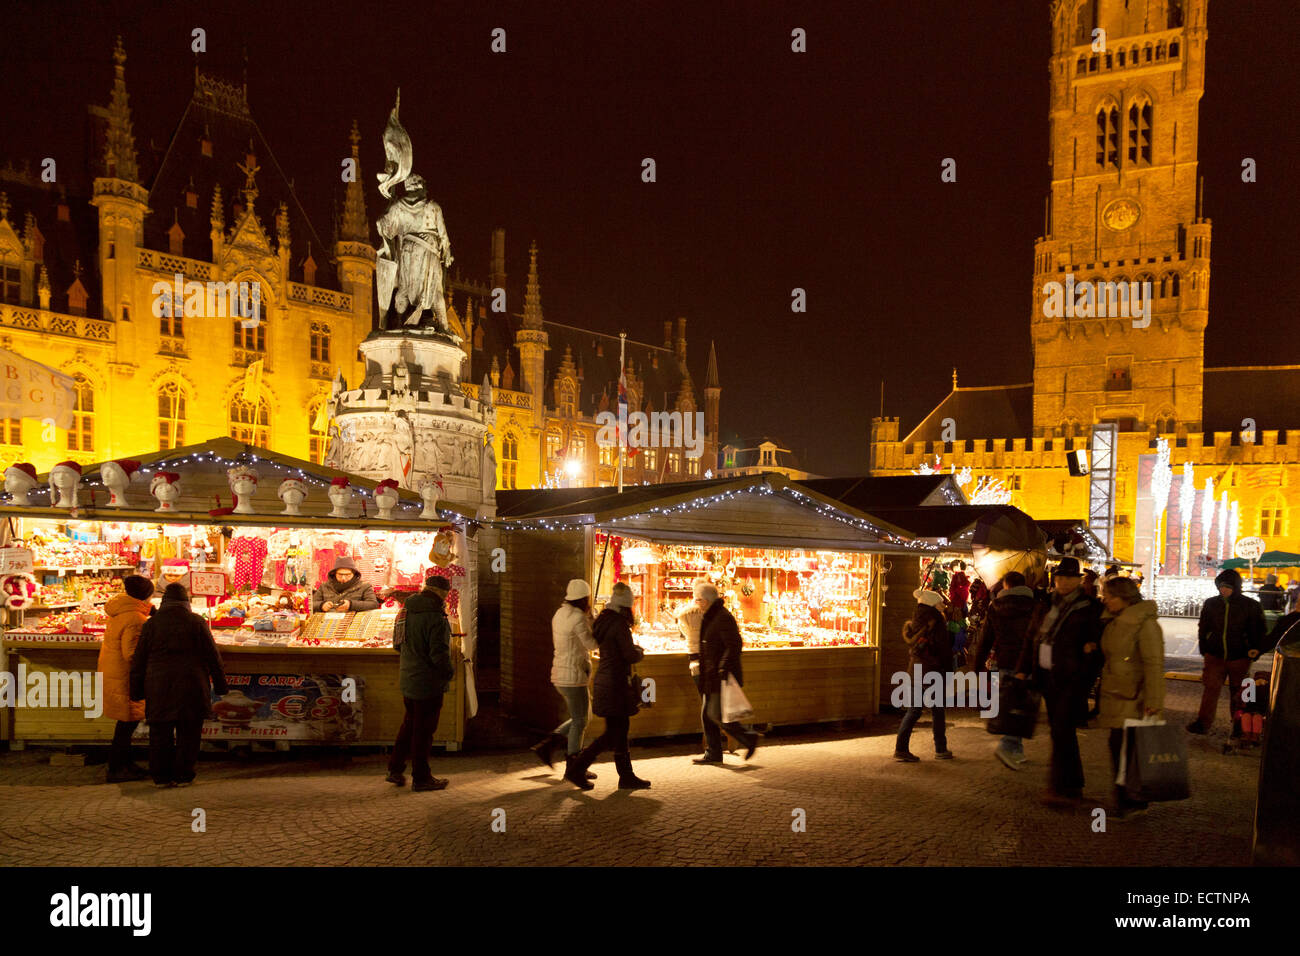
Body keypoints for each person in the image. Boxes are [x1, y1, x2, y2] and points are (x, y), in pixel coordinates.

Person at [1017, 557, 1102, 806]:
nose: (1063, 582)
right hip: (1045, 676)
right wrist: (1023, 669)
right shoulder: (1045, 605)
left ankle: (1060, 786)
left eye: (1068, 577)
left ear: (1078, 580)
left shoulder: (1088, 607)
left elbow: (1096, 648)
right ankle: (1071, 784)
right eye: (1059, 577)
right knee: (1060, 732)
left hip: (1070, 679)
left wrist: (1084, 679)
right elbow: (1031, 638)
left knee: (1062, 731)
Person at [129, 583, 228, 788]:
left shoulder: (151, 624)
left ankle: (161, 776)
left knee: (159, 733)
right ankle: (183, 775)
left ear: (164, 602)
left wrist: (136, 690)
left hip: (158, 685)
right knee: (189, 732)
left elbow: (139, 660)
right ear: (186, 603)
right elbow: (213, 656)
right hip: (192, 684)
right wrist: (220, 686)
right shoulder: (196, 622)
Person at [566, 582, 651, 790]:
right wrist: (640, 652)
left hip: (606, 680)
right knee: (612, 733)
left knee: (619, 730)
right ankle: (577, 769)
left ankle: (626, 776)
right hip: (616, 684)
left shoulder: (604, 620)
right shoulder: (619, 624)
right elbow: (628, 655)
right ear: (625, 606)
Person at [1098, 575, 1165, 822]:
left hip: (1134, 698)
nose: (1105, 600)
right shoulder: (1116, 621)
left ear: (1123, 597)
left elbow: (1154, 664)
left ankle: (1133, 801)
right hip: (1119, 693)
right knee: (1120, 748)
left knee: (1129, 751)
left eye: (1109, 596)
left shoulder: (1144, 624)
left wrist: (1154, 701)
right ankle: (1126, 800)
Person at [387, 574, 455, 791]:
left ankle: (395, 769)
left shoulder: (405, 611)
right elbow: (439, 654)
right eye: (446, 594)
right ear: (441, 593)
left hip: (407, 677)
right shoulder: (436, 617)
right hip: (428, 682)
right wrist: (448, 673)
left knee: (409, 725)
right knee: (423, 731)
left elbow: (397, 645)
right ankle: (421, 778)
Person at [530, 579, 599, 781]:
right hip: (574, 676)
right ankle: (574, 766)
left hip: (561, 674)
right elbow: (591, 644)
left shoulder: (560, 613)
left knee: (583, 716)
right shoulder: (578, 618)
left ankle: (548, 745)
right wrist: (594, 623)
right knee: (581, 721)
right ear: (584, 599)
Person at [1188, 568, 1265, 735]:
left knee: (1240, 693)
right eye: (1221, 586)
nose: (1224, 590)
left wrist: (1255, 649)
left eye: (1228, 586)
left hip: (1240, 657)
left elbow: (1258, 630)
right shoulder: (1211, 603)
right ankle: (1203, 723)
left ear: (1236, 587)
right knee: (1210, 689)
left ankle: (1238, 725)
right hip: (1214, 655)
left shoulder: (1251, 606)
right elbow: (1203, 626)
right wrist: (1204, 646)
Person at [974, 570, 1037, 770]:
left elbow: (986, 637)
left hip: (1006, 661)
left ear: (1006, 586)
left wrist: (978, 664)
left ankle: (1014, 747)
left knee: (1012, 702)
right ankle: (1009, 745)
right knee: (1020, 705)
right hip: (1028, 663)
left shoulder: (996, 606)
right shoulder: (1035, 606)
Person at [693, 583, 760, 765]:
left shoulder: (722, 617)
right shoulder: (712, 616)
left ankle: (748, 737)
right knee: (708, 714)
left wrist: (722, 667)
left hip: (720, 675)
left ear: (705, 601)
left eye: (697, 599)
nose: (696, 603)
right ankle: (713, 752)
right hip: (712, 673)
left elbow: (735, 645)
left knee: (715, 714)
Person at [99, 575, 154, 783]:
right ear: (145, 595)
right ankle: (116, 769)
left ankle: (124, 764)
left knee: (126, 723)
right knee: (126, 724)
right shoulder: (134, 619)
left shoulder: (122, 611)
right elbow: (131, 654)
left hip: (116, 672)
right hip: (126, 677)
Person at [895, 588, 954, 762]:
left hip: (915, 669)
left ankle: (901, 748)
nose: (942, 606)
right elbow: (943, 650)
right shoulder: (936, 621)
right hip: (932, 670)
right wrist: (948, 671)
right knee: (937, 710)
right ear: (932, 605)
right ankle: (941, 749)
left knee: (914, 710)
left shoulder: (916, 621)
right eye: (939, 603)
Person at [312, 556, 380, 613]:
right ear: (334, 573)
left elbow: (373, 604)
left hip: (354, 625)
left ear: (354, 573)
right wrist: (321, 605)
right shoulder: (324, 586)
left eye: (347, 575)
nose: (343, 578)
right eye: (340, 574)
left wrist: (351, 605)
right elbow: (311, 604)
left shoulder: (364, 586)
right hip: (326, 624)